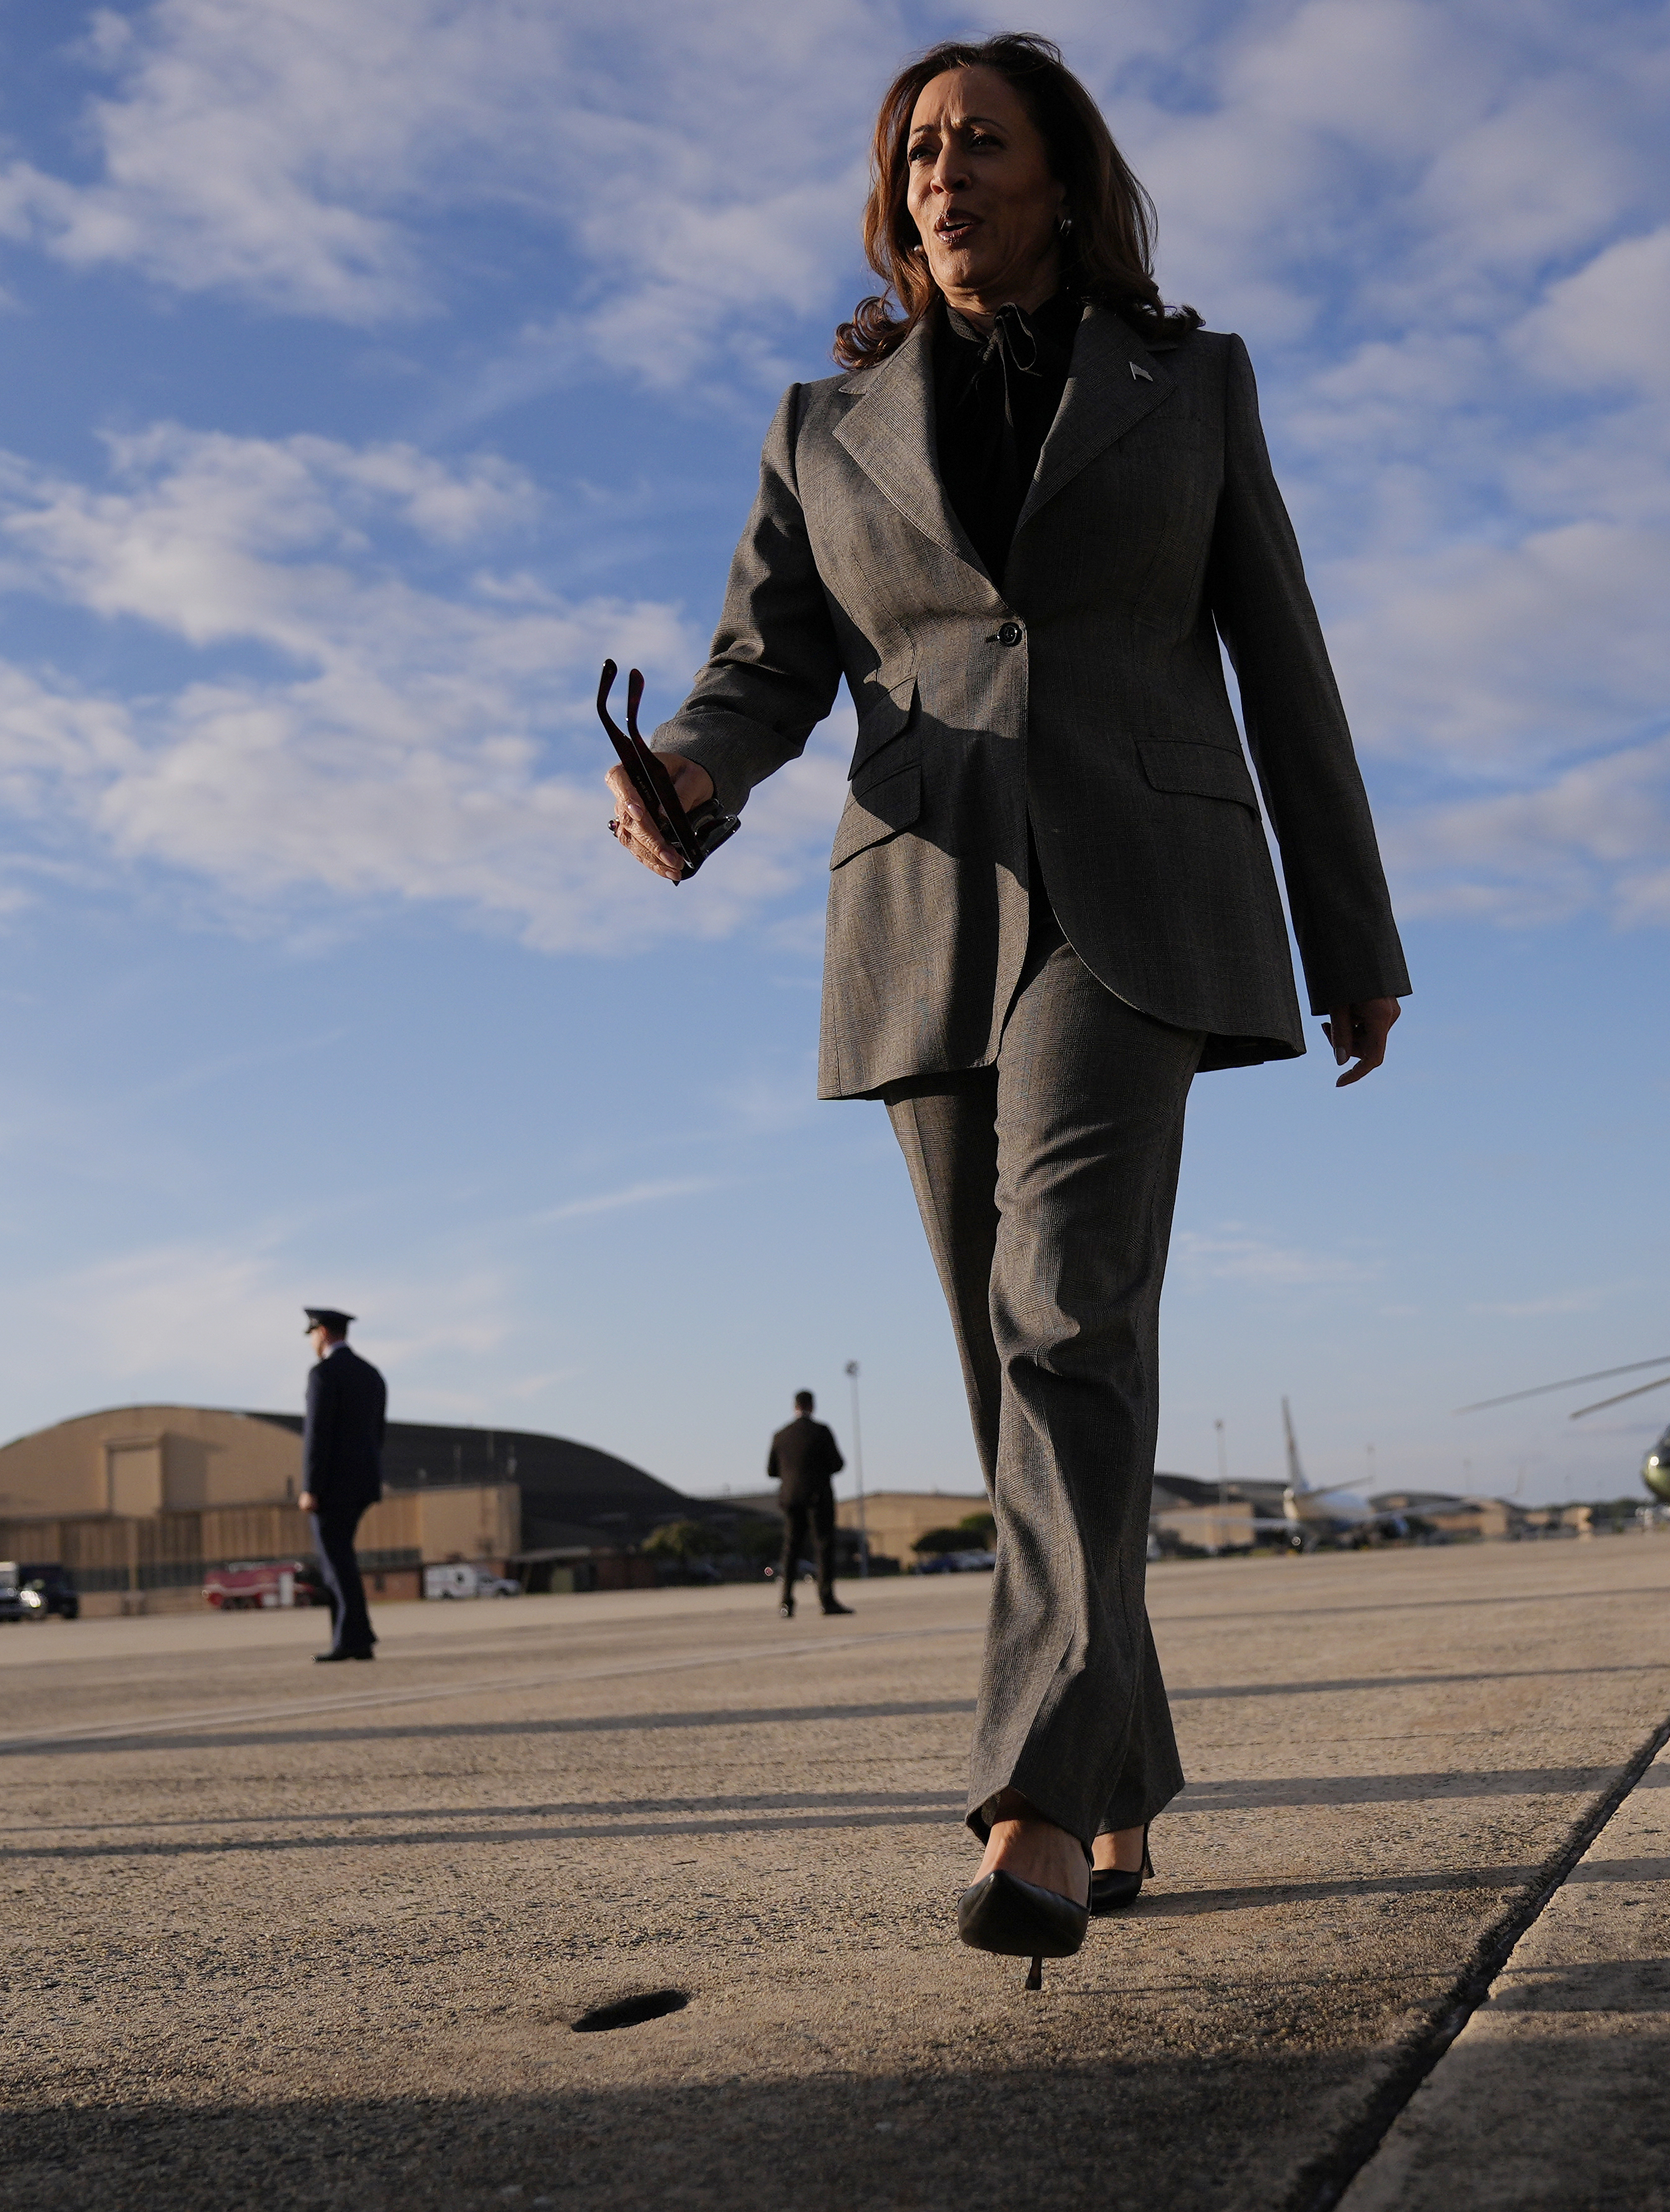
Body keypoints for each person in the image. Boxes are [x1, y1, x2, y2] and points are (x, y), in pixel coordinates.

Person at [608, 35, 1407, 1983]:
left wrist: (1351, 926)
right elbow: (760, 662)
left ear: (1064, 178)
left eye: (979, 143)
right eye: (916, 151)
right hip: (923, 903)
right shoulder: (825, 421)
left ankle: (1032, 1803)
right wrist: (693, 782)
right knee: (1003, 1364)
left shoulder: (1190, 384)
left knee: (1066, 1305)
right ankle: (1117, 1757)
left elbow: (1280, 654)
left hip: (1137, 892)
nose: (942, 173)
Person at [296, 1308, 387, 1662]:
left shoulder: (324, 1374)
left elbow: (317, 1436)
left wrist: (311, 1487)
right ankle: (354, 1638)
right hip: (364, 1481)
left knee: (336, 1563)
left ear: (321, 1332)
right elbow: (377, 1433)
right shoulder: (372, 1374)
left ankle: (352, 1638)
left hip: (332, 1486)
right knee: (342, 1558)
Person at [771, 1390, 854, 1619]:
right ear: (812, 1406)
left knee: (790, 1550)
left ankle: (786, 1602)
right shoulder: (821, 1432)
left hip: (791, 1498)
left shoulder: (781, 1435)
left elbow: (771, 1470)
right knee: (824, 1547)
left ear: (794, 1407)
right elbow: (837, 1463)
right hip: (818, 1497)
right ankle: (827, 1600)